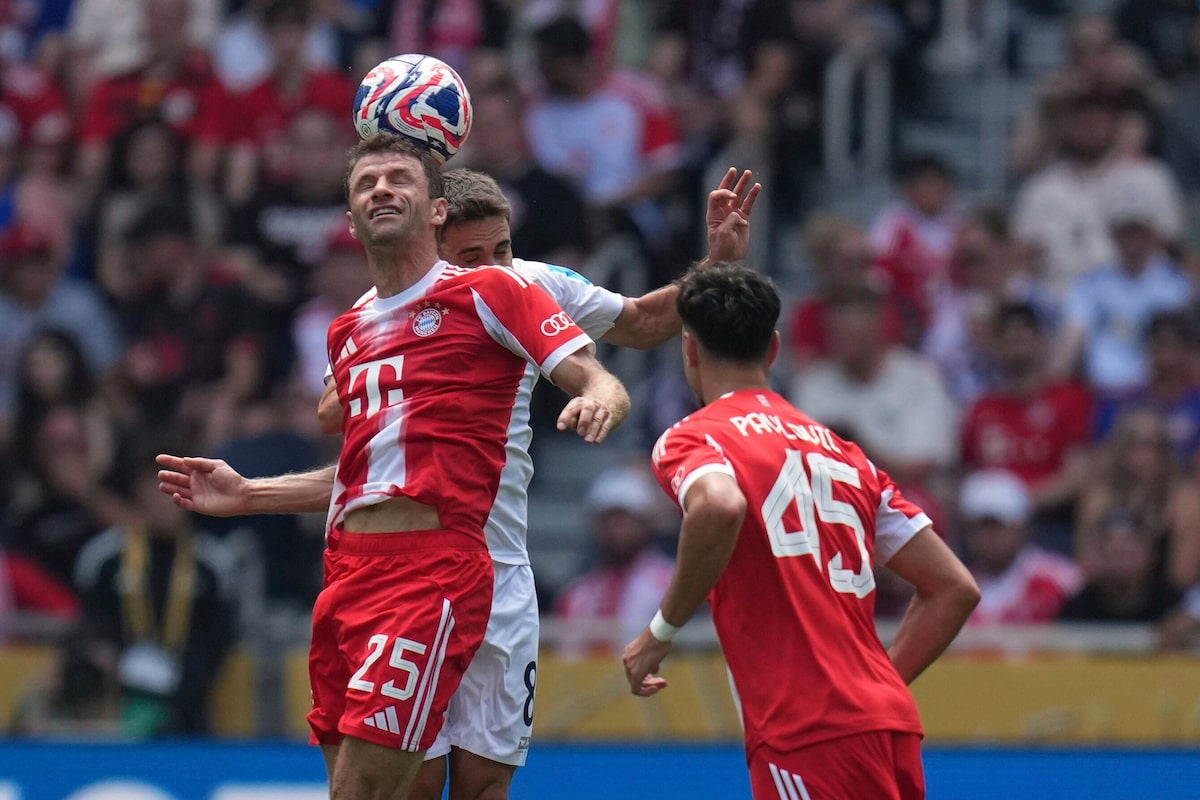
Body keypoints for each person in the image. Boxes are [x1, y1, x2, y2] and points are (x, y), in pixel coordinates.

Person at [168, 163, 758, 800]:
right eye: (474, 256)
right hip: (406, 564)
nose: (493, 264)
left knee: (482, 789)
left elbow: (641, 327)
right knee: (407, 784)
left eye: (501, 249)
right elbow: (365, 459)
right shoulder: (371, 316)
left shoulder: (523, 286)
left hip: (493, 569)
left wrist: (713, 265)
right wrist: (256, 493)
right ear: (435, 239)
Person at [622, 264, 979, 799]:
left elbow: (718, 507)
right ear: (774, 349)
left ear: (689, 349)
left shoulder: (696, 437)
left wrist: (660, 632)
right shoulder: (846, 452)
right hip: (886, 722)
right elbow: (954, 588)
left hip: (804, 727)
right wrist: (871, 693)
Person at [553, 465, 675, 656]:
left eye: (626, 519)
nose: (617, 529)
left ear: (645, 523)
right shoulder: (577, 594)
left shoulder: (672, 584)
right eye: (609, 520)